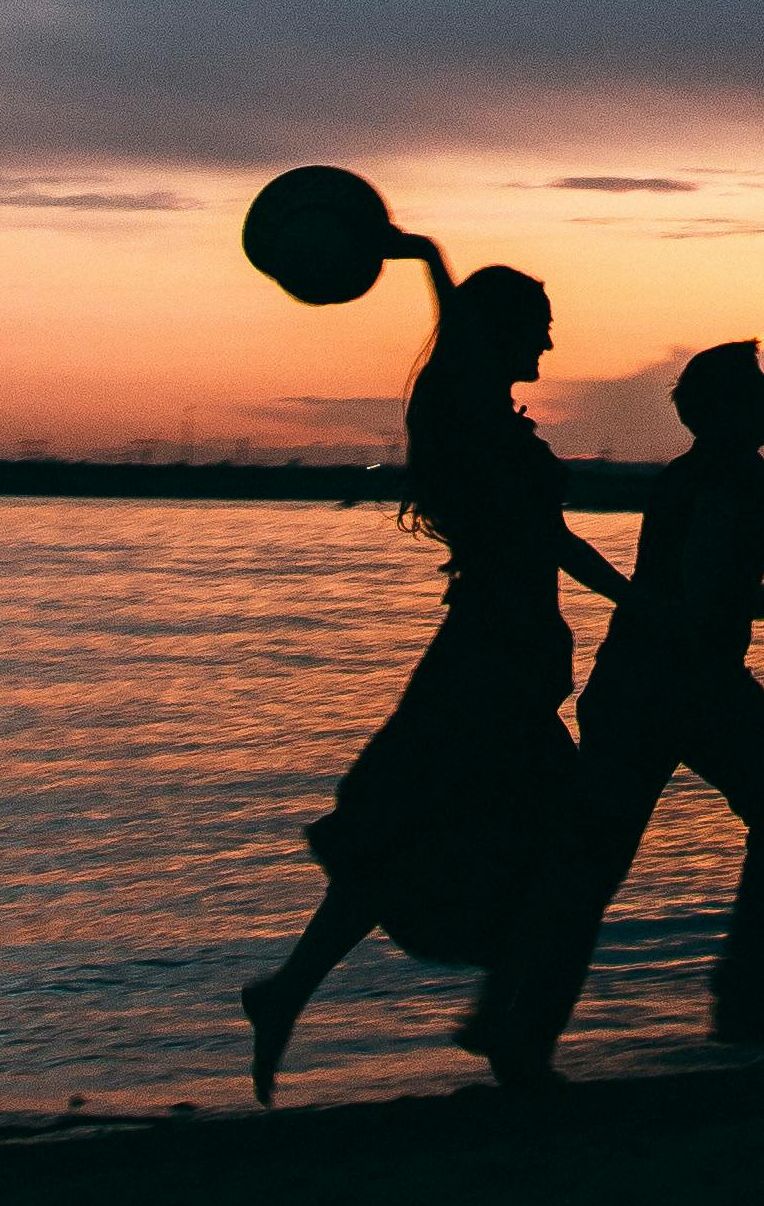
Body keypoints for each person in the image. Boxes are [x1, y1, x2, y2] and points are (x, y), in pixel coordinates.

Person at [242, 237, 631, 1098]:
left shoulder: (480, 415)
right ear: (501, 332)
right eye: (540, 328)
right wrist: (422, 254)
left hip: (503, 660)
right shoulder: (462, 415)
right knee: (567, 842)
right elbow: (543, 533)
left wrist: (625, 594)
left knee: (404, 840)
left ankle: (289, 994)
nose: (551, 346)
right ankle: (500, 1023)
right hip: (489, 664)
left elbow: (550, 538)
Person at [517, 340, 764, 1057]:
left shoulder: (703, 472)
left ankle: (521, 1024)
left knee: (603, 859)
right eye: (760, 390)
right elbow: (714, 595)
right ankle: (737, 998)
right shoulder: (725, 475)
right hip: (679, 684)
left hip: (653, 681)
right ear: (725, 408)